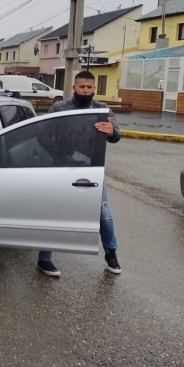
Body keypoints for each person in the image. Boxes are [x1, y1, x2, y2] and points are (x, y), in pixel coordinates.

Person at [37, 71, 122, 277]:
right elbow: (42, 135)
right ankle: (44, 258)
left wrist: (111, 132)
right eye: (82, 87)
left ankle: (111, 254)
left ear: (94, 89)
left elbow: (117, 135)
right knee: (53, 211)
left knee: (103, 214)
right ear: (74, 87)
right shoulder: (59, 108)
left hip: (91, 171)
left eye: (90, 87)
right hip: (60, 168)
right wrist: (62, 155)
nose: (86, 90)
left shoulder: (102, 110)